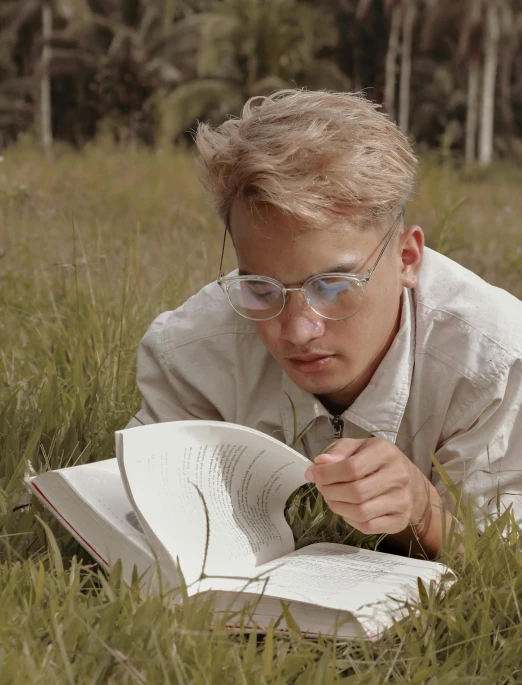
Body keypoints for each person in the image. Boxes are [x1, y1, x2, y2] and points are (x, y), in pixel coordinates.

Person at [128, 89, 522, 559]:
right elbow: (135, 520)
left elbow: (499, 562)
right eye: (260, 288)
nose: (297, 331)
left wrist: (421, 514)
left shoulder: (494, 362)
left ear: (407, 258)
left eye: (333, 287)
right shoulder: (191, 352)